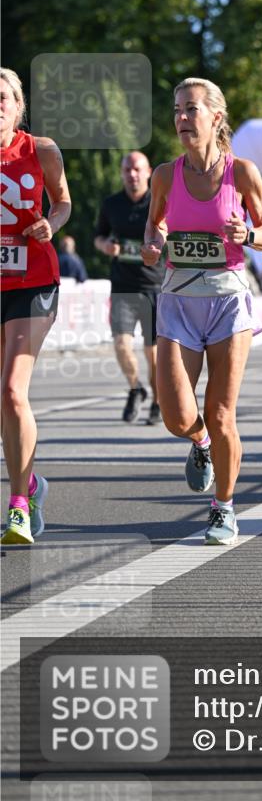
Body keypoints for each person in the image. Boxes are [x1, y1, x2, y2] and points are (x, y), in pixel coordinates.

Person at [141, 77, 262, 546]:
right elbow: (155, 224)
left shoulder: (242, 174)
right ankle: (198, 444)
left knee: (221, 413)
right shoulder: (164, 174)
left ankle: (223, 509)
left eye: (191, 109)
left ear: (215, 117)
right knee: (177, 416)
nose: (182, 117)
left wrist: (250, 236)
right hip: (178, 300)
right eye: (177, 109)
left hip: (227, 301)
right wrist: (153, 244)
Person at [1, 67, 71, 544]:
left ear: (18, 105)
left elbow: (64, 203)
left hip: (34, 279)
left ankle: (18, 505)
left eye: (2, 97)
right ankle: (32, 484)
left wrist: (51, 223)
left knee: (11, 390)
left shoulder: (41, 150)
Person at [95, 152, 164, 425]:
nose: (132, 174)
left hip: (155, 286)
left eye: (137, 169)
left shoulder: (159, 202)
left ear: (148, 172)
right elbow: (98, 236)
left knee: (154, 355)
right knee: (121, 345)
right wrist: (105, 247)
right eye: (127, 170)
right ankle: (136, 388)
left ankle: (158, 401)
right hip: (122, 286)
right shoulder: (111, 204)